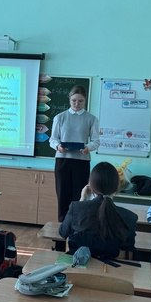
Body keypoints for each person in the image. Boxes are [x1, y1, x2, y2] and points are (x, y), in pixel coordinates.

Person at [59, 162, 137, 258]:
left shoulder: (76, 208)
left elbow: (63, 233)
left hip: (79, 265)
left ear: (90, 186)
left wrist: (82, 200)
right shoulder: (130, 217)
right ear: (117, 187)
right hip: (111, 266)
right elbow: (128, 248)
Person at [49, 85, 100, 221]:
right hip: (63, 160)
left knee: (79, 195)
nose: (77, 104)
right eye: (74, 101)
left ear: (85, 100)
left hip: (81, 161)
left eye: (80, 101)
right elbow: (53, 139)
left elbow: (96, 141)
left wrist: (88, 148)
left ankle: (78, 225)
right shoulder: (60, 117)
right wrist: (58, 146)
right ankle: (62, 225)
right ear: (69, 100)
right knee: (62, 195)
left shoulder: (91, 119)